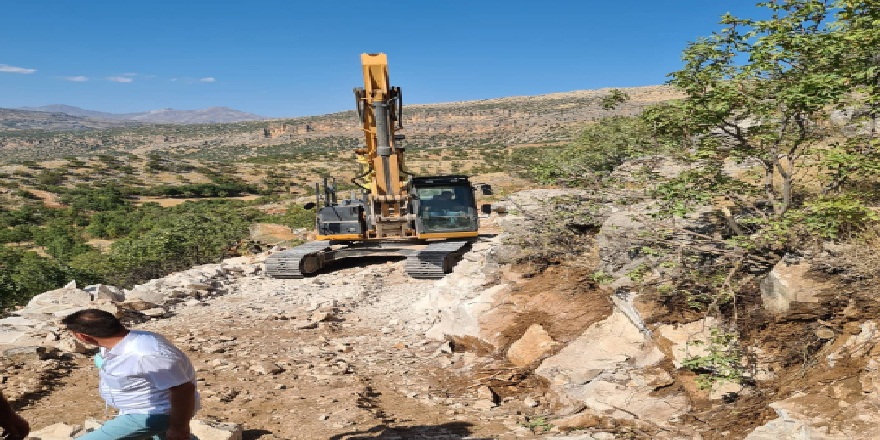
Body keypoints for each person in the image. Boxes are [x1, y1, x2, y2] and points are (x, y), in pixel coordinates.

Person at [62, 309, 199, 440]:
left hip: (153, 413)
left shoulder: (145, 354)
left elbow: (183, 389)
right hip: (137, 408)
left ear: (83, 336)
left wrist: (179, 427)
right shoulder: (119, 341)